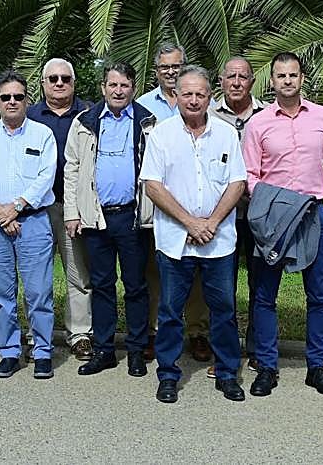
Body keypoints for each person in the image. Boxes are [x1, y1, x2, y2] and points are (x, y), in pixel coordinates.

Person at [242, 52, 323, 398]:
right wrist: (269, 205)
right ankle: (266, 366)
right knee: (264, 295)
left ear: (302, 79)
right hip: (272, 220)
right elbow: (249, 174)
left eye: (293, 75)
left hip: (312, 215)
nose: (287, 80)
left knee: (318, 295)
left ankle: (316, 367)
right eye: (280, 75)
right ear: (271, 81)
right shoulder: (258, 123)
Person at [140, 65, 247, 404]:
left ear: (210, 97)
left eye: (200, 94)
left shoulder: (226, 134)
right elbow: (153, 185)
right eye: (187, 94)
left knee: (224, 311)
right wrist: (190, 222)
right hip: (175, 240)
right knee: (170, 313)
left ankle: (227, 373)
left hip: (219, 240)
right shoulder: (161, 135)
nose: (194, 100)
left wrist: (211, 222)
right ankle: (168, 376)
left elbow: (237, 182)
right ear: (176, 96)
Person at [64, 61, 155, 377]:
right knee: (102, 285)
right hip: (96, 218)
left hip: (132, 217)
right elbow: (72, 168)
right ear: (103, 88)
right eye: (113, 85)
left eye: (124, 85)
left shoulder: (147, 122)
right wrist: (72, 213)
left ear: (133, 88)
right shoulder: (84, 122)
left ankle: (136, 350)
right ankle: (104, 350)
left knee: (136, 286)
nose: (118, 91)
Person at [0, 70, 58, 379]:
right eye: (6, 97)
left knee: (39, 292)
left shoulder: (42, 135)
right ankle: (9, 351)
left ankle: (42, 351)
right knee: (2, 292)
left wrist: (16, 207)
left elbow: (46, 176)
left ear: (27, 100)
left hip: (33, 221)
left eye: (18, 96)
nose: (12, 102)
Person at [136, 43, 210, 363]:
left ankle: (197, 331)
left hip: (198, 206)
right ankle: (156, 331)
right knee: (156, 272)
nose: (170, 71)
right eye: (164, 67)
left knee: (197, 273)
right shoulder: (142, 106)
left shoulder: (204, 104)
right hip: (158, 204)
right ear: (156, 71)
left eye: (176, 66)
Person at [28, 57, 93, 361]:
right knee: (36, 277)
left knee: (78, 274)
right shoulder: (29, 115)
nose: (59, 83)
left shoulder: (89, 114)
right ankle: (36, 336)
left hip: (73, 208)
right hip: (36, 208)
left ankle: (80, 334)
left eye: (65, 78)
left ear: (73, 83)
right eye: (52, 78)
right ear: (43, 83)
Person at [209, 57, 265, 370]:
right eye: (230, 76)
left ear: (252, 82)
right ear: (221, 81)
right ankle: (224, 353)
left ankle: (257, 348)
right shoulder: (207, 114)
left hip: (258, 213)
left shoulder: (267, 114)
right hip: (220, 215)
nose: (236, 82)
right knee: (221, 288)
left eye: (243, 77)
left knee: (260, 284)